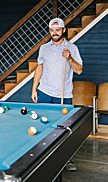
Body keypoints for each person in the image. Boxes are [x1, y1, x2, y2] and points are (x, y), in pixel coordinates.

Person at [31, 18, 82, 171]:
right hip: (45, 91)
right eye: (52, 30)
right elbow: (39, 68)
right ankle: (39, 158)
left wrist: (69, 58)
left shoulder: (72, 48)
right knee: (42, 124)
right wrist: (34, 88)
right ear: (49, 31)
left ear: (63, 30)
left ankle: (66, 159)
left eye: (57, 30)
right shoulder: (43, 48)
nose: (54, 33)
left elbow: (79, 70)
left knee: (64, 128)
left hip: (63, 94)